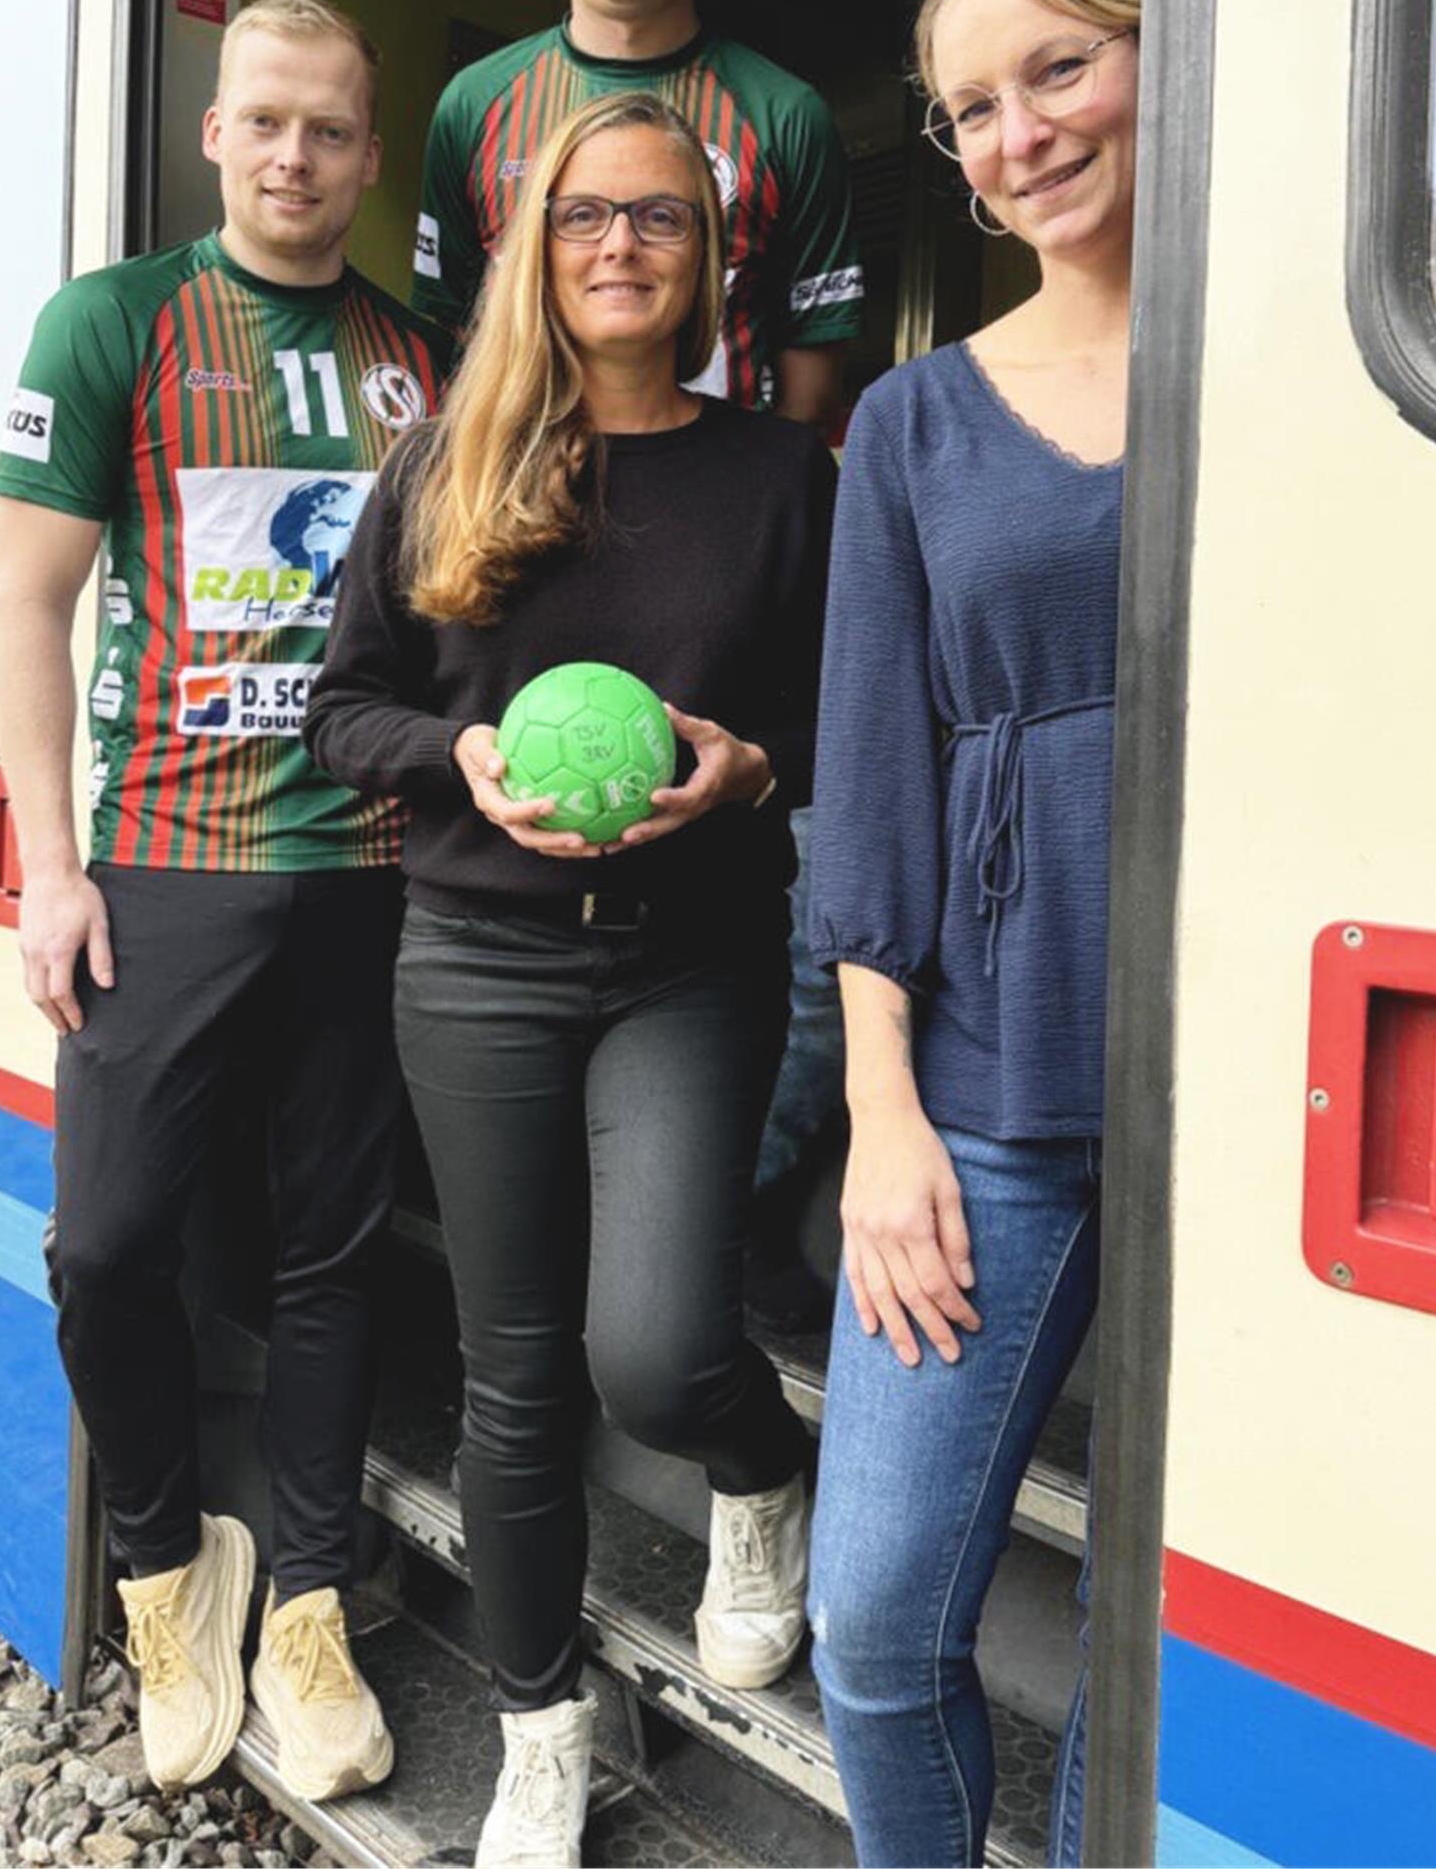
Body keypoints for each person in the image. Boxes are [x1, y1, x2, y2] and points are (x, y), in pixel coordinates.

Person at [310, 90, 835, 1869]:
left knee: (663, 1347)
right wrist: (455, 759)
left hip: (689, 964)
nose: (621, 244)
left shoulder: (779, 479)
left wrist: (749, 769)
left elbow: (848, 727)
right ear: (538, 251)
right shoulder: (449, 460)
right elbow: (344, 710)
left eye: (662, 220)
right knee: (512, 1375)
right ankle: (542, 1725)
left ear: (709, 264)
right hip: (472, 965)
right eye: (586, 215)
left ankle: (761, 1475)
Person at [0, 0, 452, 1802]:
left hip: (368, 869)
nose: (294, 158)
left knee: (331, 1263)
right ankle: (172, 1576)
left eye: (331, 130)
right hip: (162, 869)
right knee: (106, 1253)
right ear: (213, 132)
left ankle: (315, 1608)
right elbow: (30, 601)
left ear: (367, 148)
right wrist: (49, 868)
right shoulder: (118, 322)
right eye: (264, 121)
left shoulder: (422, 354)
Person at [412, 0, 863, 1305]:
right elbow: (440, 364)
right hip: (530, 597)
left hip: (717, 609)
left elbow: (811, 380)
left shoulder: (782, 113)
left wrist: (732, 554)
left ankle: (693, 1301)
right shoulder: (477, 105)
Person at [805, 0, 1140, 1868]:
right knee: (871, 1617)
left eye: (1059, 68)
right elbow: (871, 792)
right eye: (971, 109)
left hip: (1249, 1102)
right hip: (987, 1095)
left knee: (1158, 1636)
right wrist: (880, 1112)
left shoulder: (1297, 361)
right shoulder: (912, 423)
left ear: (1154, 46)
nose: (1018, 133)